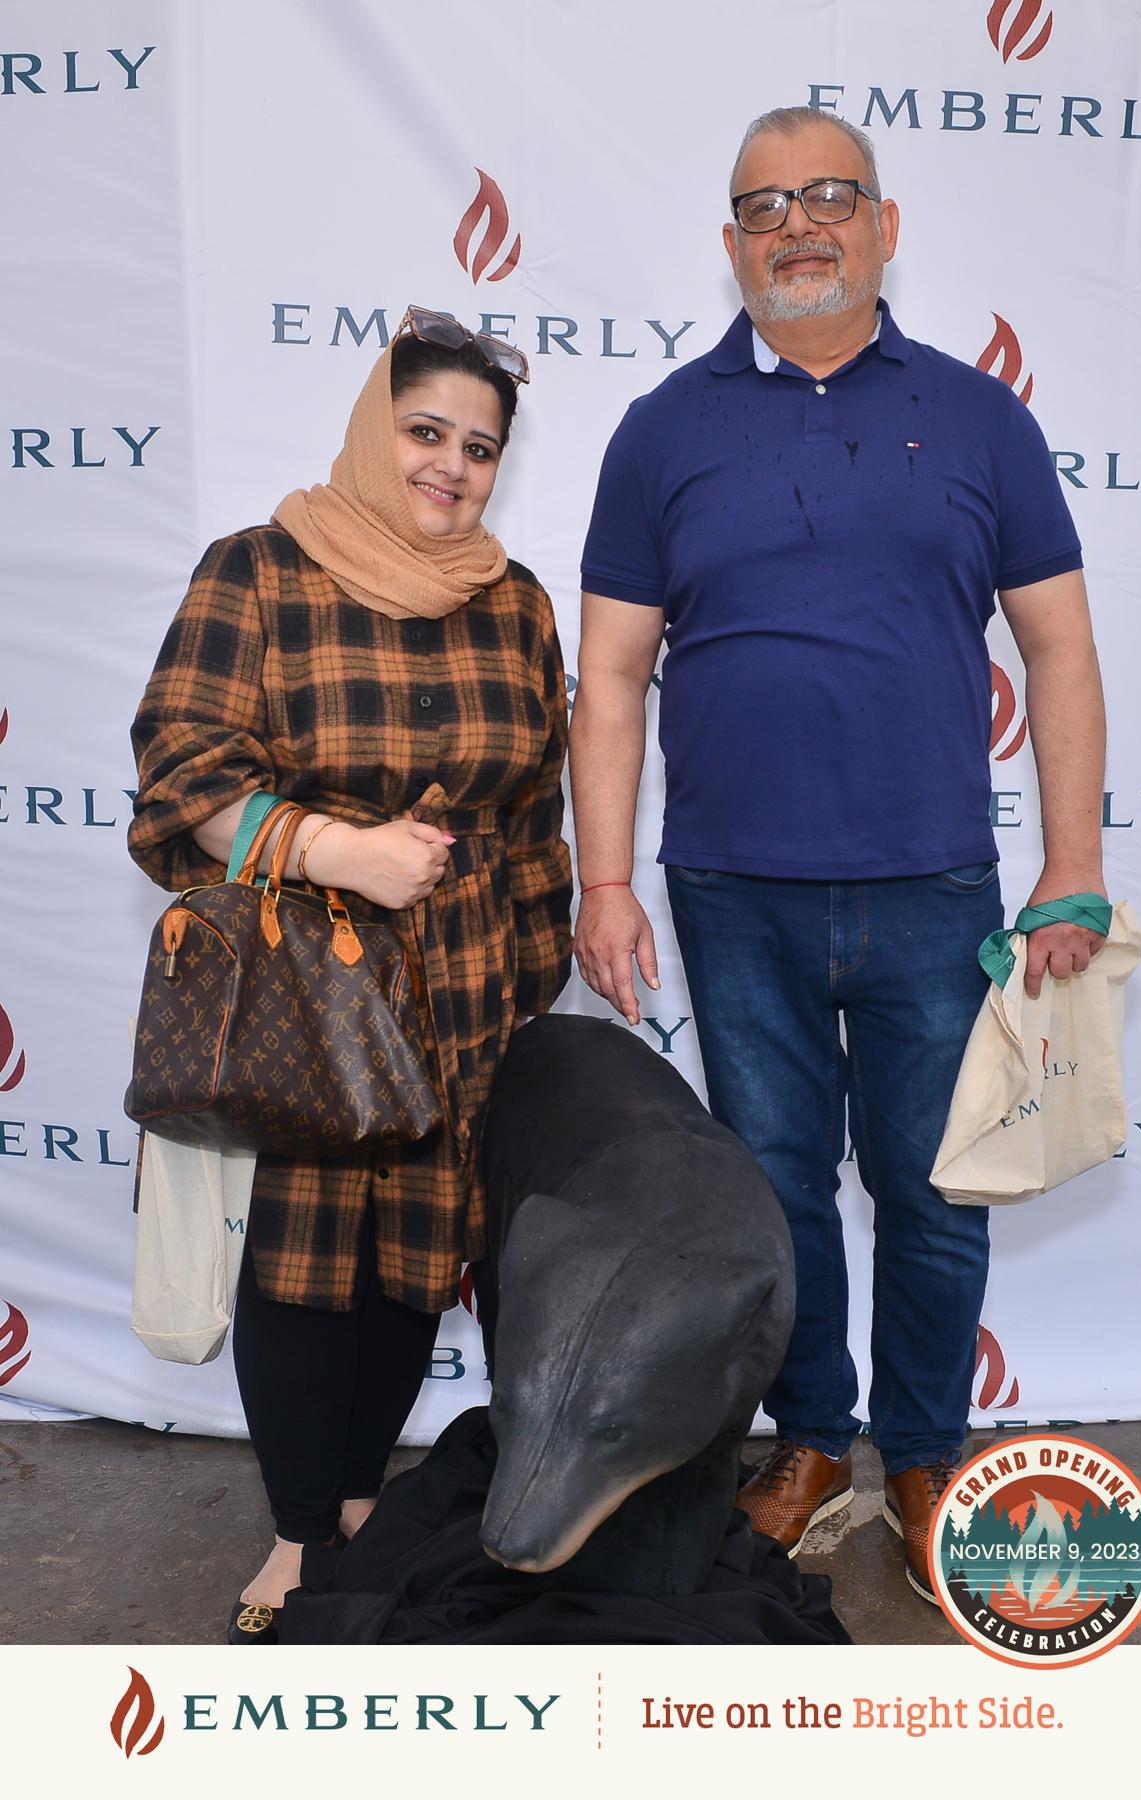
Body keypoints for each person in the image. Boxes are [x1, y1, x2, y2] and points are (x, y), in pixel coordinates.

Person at [570, 107, 1106, 1603]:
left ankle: (926, 1452)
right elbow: (609, 676)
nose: (798, 225)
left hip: (936, 886)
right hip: (730, 896)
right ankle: (810, 1439)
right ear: (731, 243)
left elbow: (1057, 650)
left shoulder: (980, 418)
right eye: (764, 206)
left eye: (829, 198)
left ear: (883, 224)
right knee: (777, 1189)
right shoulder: (663, 427)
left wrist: (1073, 867)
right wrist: (606, 879)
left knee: (937, 1192)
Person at [128, 308, 573, 1640]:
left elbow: (534, 807)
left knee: (414, 1263)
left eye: (478, 447)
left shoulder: (518, 600)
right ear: (377, 428)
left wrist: (535, 975)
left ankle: (363, 1502)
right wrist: (340, 850)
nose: (449, 465)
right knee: (304, 1266)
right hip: (312, 999)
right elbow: (184, 775)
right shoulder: (257, 572)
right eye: (425, 430)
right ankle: (297, 1529)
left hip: (472, 992)